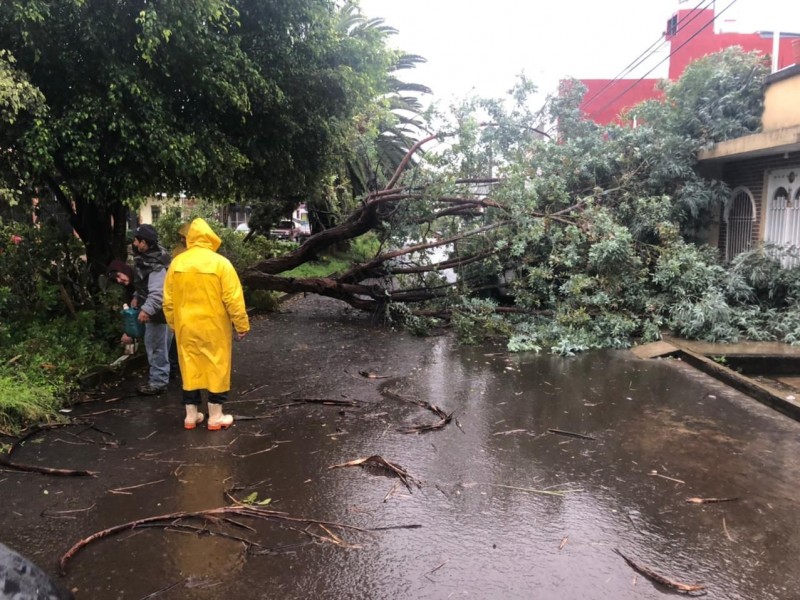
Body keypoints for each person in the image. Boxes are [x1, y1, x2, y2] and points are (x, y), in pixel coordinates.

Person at [163, 218, 250, 430]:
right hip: (214, 328)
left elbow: (168, 300)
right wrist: (241, 325)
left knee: (189, 367)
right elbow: (233, 298)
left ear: (190, 238)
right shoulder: (221, 264)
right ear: (210, 237)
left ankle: (191, 417)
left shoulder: (177, 263)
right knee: (217, 367)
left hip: (186, 327)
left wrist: (174, 324)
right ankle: (215, 417)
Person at [131, 224, 173, 395]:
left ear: (144, 243)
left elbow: (157, 293)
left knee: (156, 348)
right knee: (163, 347)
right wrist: (136, 296)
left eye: (136, 240)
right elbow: (144, 284)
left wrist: (146, 310)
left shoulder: (155, 263)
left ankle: (158, 383)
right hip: (164, 313)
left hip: (159, 315)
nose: (134, 243)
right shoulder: (154, 256)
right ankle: (165, 377)